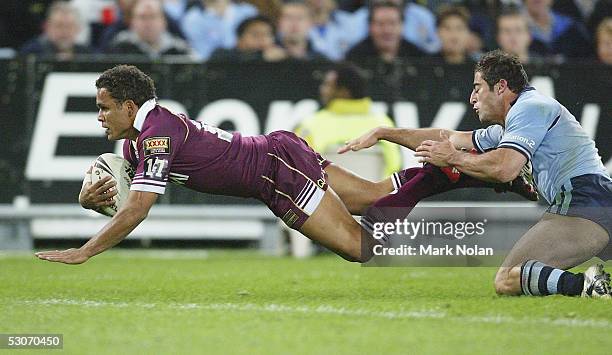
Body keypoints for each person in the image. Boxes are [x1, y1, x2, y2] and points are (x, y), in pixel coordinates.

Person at [34, 64, 393, 265]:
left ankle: (445, 226)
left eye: (104, 107)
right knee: (377, 198)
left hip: (278, 174)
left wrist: (85, 251)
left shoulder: (157, 136)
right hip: (280, 151)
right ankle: (446, 172)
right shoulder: (147, 135)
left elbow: (136, 209)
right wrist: (88, 201)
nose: (99, 117)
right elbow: (123, 196)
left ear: (129, 108)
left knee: (360, 248)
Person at [341, 49, 612, 298]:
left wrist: (453, 158)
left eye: (477, 88)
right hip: (596, 199)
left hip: (582, 199)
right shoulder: (509, 126)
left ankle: (590, 287)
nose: (472, 98)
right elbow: (448, 136)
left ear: (501, 87)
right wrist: (385, 133)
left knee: (507, 279)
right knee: (512, 277)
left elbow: (504, 168)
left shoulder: (530, 108)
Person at [295, 63, 401, 178]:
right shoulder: (384, 123)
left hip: (327, 193)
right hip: (375, 194)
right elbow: (394, 166)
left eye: (327, 85)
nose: (322, 90)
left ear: (344, 92)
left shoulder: (310, 124)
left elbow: (298, 167)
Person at [345, 1, 426, 67]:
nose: (387, 30)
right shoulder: (354, 58)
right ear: (370, 27)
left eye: (392, 23)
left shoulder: (417, 57)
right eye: (380, 24)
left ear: (402, 26)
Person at [105, 0, 195, 59]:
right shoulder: (118, 47)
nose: (148, 23)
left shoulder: (179, 50)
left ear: (164, 21)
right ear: (131, 21)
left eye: (153, 16)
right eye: (142, 17)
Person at [20, 1, 93, 60]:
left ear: (78, 29)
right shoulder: (31, 53)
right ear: (47, 27)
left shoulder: (88, 55)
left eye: (69, 26)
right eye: (59, 26)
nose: (64, 31)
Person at [209, 16, 286, 61]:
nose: (262, 39)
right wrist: (261, 57)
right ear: (239, 39)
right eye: (255, 35)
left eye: (268, 35)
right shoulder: (222, 55)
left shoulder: (279, 57)